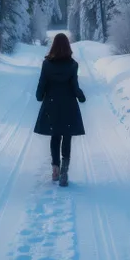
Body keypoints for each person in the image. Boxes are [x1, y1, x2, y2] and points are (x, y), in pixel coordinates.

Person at [33, 33, 86, 187]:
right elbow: (75, 87)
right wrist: (81, 97)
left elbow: (42, 83)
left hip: (52, 105)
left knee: (55, 137)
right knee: (67, 137)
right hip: (68, 105)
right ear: (68, 46)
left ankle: (55, 168)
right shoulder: (73, 65)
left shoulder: (47, 64)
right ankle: (64, 171)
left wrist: (39, 95)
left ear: (54, 46)